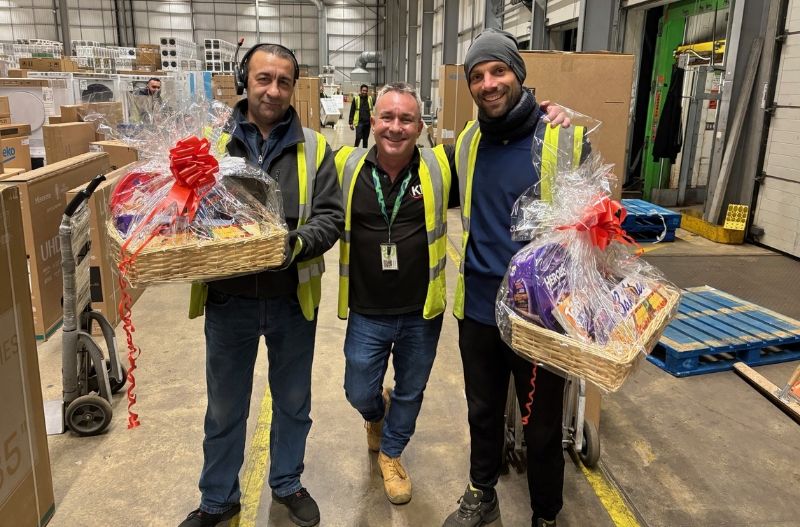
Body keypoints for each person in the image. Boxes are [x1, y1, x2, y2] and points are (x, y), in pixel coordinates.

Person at [179, 43, 343, 527]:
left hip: (293, 300)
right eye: (263, 79)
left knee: (293, 404)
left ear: (294, 86)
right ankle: (218, 498)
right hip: (229, 302)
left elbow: (331, 217)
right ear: (243, 81)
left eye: (284, 81)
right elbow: (183, 213)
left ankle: (287, 483)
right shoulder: (207, 145)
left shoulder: (313, 148)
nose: (273, 90)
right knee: (225, 409)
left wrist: (291, 245)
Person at [443, 29, 584, 527]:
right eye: (477, 76)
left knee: (542, 426)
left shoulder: (562, 135)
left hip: (539, 315)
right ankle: (482, 494)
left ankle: (545, 514)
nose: (488, 84)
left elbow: (592, 214)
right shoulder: (466, 139)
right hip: (479, 306)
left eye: (498, 71)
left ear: (519, 76)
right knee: (481, 412)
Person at [334, 83, 451, 505]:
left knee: (410, 389)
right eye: (388, 117)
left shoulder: (438, 168)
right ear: (373, 121)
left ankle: (392, 452)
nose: (396, 127)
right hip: (367, 308)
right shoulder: (346, 166)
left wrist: (552, 122)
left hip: (422, 309)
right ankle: (374, 416)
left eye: (406, 119)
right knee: (358, 389)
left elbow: (493, 137)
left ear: (420, 126)